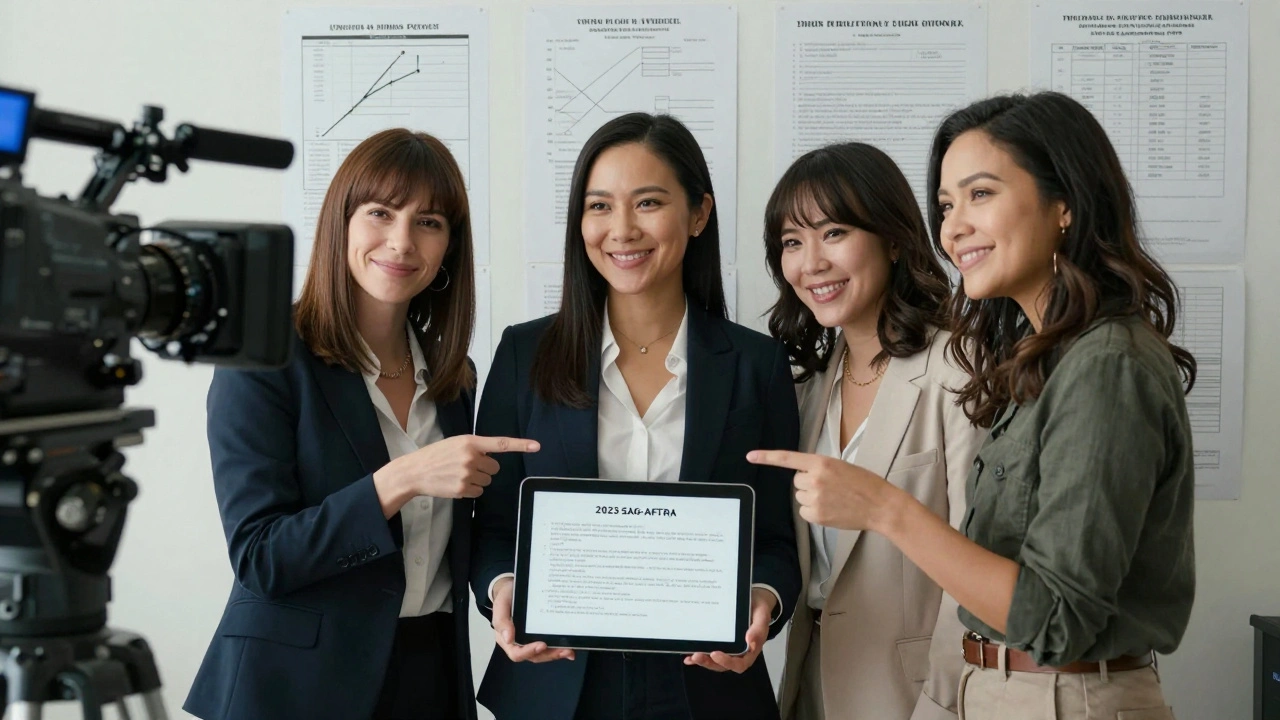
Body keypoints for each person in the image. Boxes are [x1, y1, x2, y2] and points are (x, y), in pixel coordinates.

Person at [749, 91, 1196, 720]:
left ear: (1065, 204)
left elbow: (1054, 616)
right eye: (946, 205)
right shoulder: (1042, 361)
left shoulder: (1101, 364)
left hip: (1038, 696)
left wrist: (884, 509)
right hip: (977, 688)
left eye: (980, 194)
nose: (954, 227)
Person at [186, 128, 534, 720]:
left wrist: (507, 586)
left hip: (430, 675)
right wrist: (403, 479)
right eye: (380, 213)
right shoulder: (266, 356)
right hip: (296, 689)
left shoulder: (454, 377)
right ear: (340, 223)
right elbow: (261, 557)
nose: (402, 241)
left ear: (449, 247)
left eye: (428, 222)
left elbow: (466, 538)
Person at [470, 112, 801, 720]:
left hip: (706, 688)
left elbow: (778, 536)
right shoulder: (524, 354)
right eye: (599, 206)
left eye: (648, 203)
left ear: (698, 214)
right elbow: (493, 526)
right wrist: (505, 588)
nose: (622, 229)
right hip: (558, 683)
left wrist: (762, 598)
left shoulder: (758, 365)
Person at [762, 143, 985, 720]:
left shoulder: (959, 370)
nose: (811, 262)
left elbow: (981, 569)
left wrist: (942, 705)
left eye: (833, 233)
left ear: (893, 240)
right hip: (812, 683)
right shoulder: (805, 389)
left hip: (919, 696)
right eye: (792, 242)